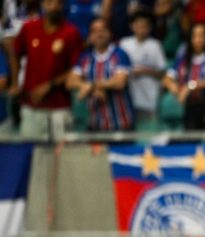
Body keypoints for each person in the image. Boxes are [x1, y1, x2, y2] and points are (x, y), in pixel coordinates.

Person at [13, 0, 83, 139]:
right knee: (30, 152)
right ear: (42, 4)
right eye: (49, 3)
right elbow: (15, 54)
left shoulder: (71, 32)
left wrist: (49, 85)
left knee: (62, 155)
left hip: (60, 106)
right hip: (32, 104)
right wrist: (15, 83)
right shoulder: (28, 28)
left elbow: (76, 68)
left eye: (58, 3)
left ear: (62, 6)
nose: (54, 7)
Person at [67, 17, 135, 131]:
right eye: (95, 31)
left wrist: (91, 86)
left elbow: (120, 82)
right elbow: (70, 81)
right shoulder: (84, 57)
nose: (99, 34)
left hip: (121, 124)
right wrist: (92, 89)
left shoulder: (120, 54)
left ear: (110, 33)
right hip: (95, 125)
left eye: (103, 30)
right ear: (90, 36)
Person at [163, 23, 205, 130]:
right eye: (195, 36)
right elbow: (167, 79)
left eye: (202, 36)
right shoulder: (183, 59)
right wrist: (175, 88)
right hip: (189, 107)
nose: (198, 39)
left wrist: (190, 86)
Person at [120, 11, 167, 125]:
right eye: (138, 25)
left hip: (149, 92)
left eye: (144, 26)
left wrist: (145, 71)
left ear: (150, 28)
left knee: (149, 126)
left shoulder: (155, 45)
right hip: (129, 92)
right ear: (132, 26)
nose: (141, 29)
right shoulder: (124, 44)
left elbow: (162, 72)